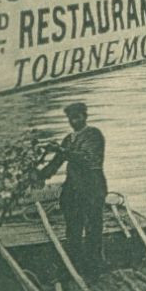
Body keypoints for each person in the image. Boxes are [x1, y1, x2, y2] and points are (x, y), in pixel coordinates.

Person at [40, 101, 108, 274]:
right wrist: (39, 175)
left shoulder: (94, 135)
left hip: (92, 187)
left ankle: (95, 266)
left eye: (77, 117)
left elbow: (86, 159)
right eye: (71, 118)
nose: (74, 121)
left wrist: (61, 150)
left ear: (85, 117)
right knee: (73, 229)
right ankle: (76, 266)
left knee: (93, 228)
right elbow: (55, 163)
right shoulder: (68, 139)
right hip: (73, 189)